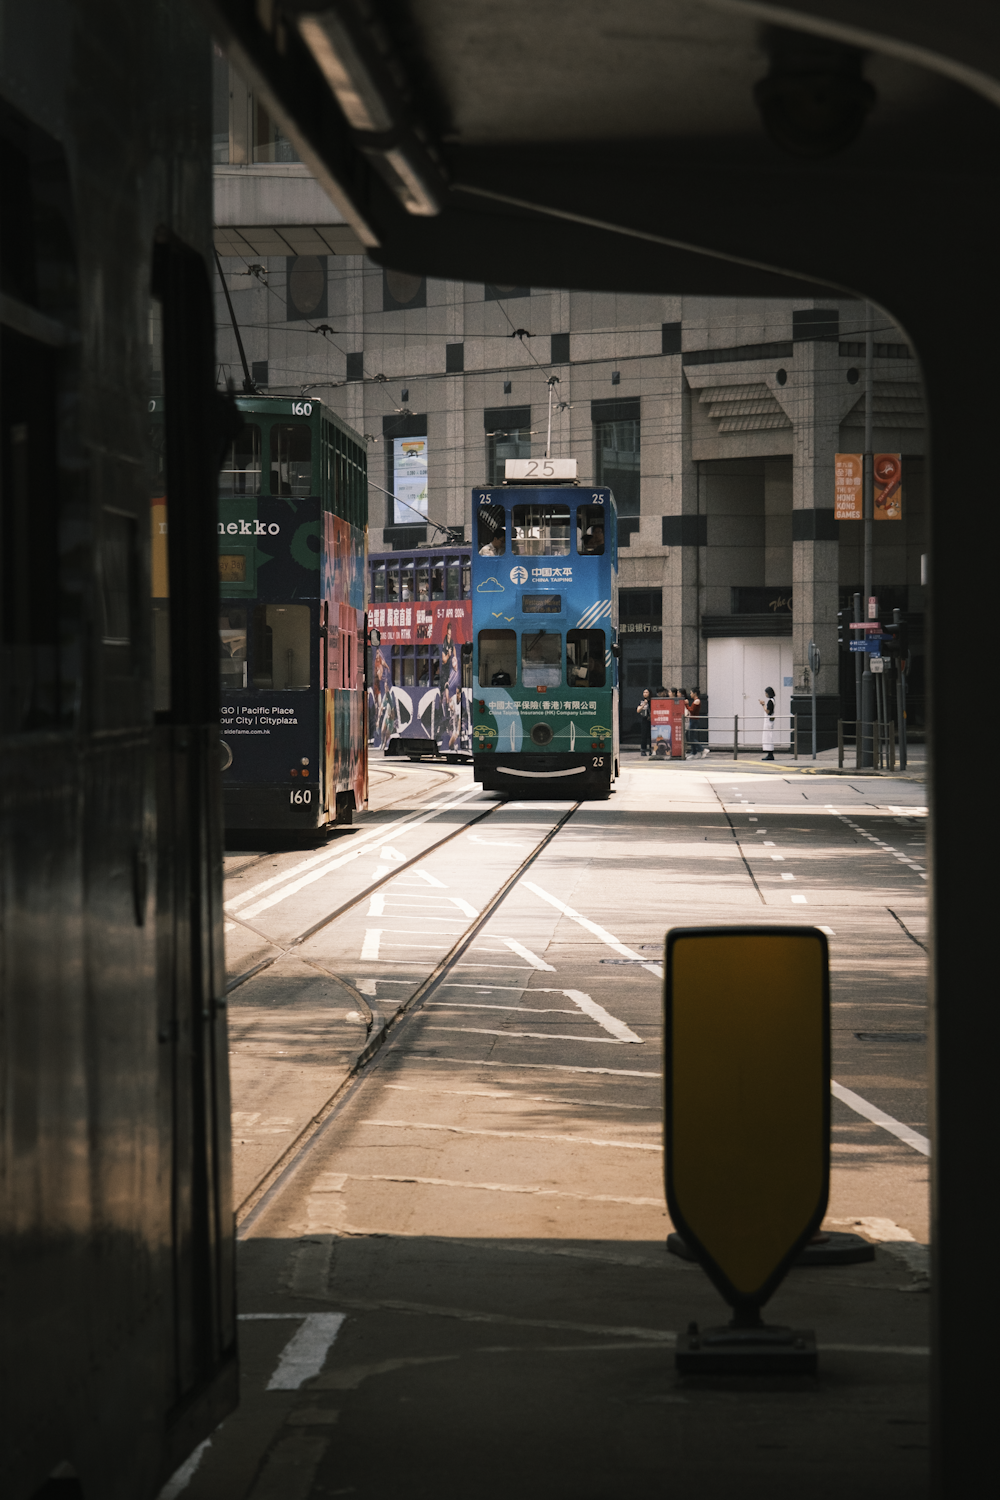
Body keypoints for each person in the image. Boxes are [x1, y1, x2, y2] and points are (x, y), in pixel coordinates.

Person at [759, 685, 776, 761]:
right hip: (770, 721)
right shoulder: (773, 700)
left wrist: (763, 705)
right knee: (769, 736)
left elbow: (768, 711)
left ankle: (770, 754)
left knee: (767, 737)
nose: (765, 694)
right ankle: (770, 753)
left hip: (768, 721)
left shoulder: (770, 701)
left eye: (766, 693)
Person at [637, 687, 651, 756]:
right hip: (644, 720)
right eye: (644, 692)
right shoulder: (641, 701)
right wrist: (644, 704)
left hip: (651, 720)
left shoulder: (652, 701)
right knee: (644, 735)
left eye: (646, 692)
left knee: (651, 735)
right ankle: (643, 750)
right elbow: (638, 710)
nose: (645, 694)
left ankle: (651, 749)